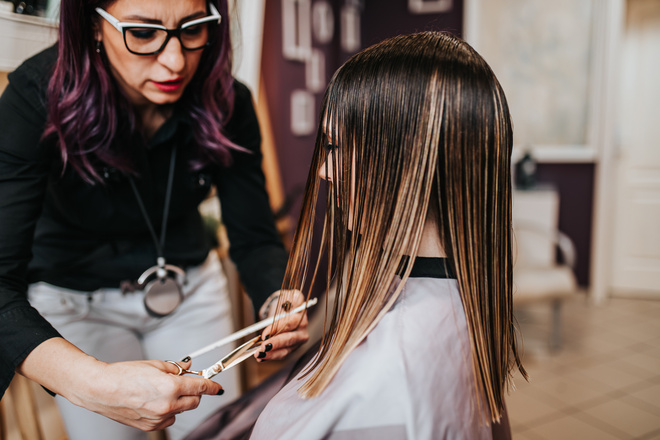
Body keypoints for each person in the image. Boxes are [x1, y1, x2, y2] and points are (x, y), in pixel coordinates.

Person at [0, 1, 308, 439]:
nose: (175, 61)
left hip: (189, 288)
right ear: (93, 25)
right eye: (143, 33)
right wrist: (91, 383)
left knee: (222, 431)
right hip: (75, 302)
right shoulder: (34, 99)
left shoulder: (227, 100)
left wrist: (275, 298)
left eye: (193, 29)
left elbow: (255, 235)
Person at [227, 31, 526, 439]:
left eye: (335, 147)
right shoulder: (465, 307)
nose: (324, 171)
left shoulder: (386, 376)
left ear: (406, 160)